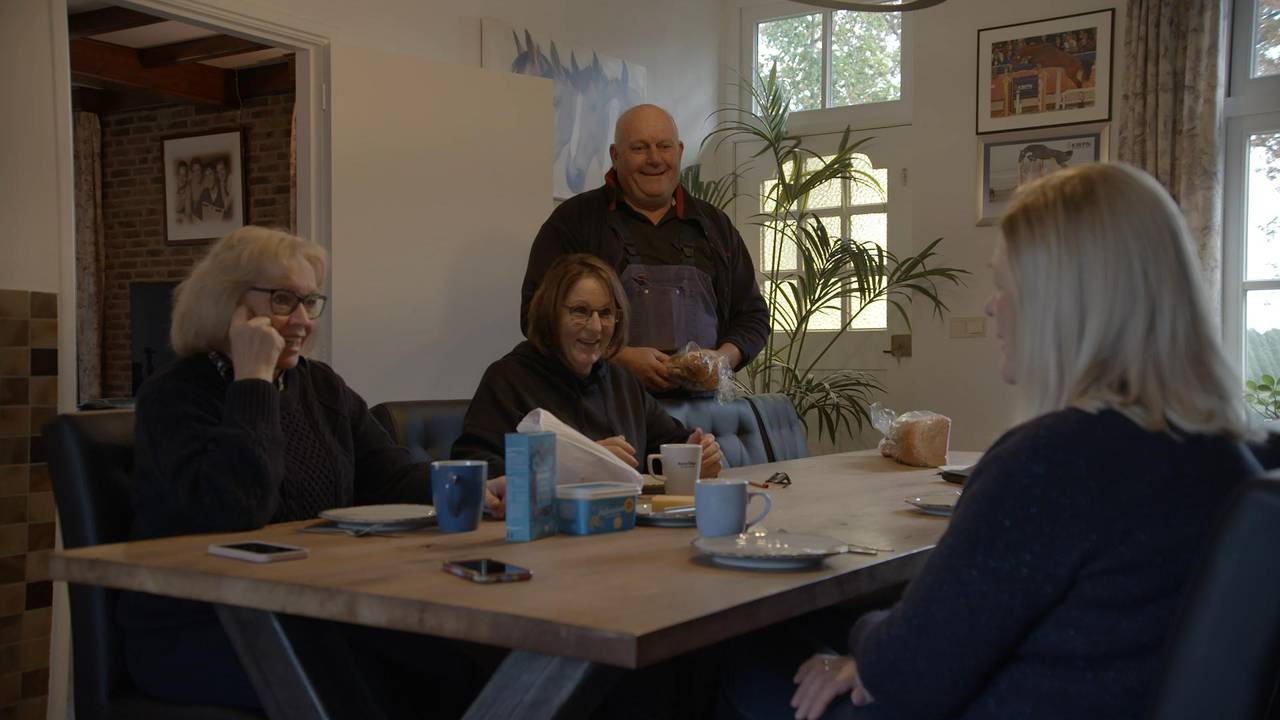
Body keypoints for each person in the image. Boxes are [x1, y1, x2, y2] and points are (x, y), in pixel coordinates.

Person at [720, 163, 1261, 720]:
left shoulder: (1054, 459)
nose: (990, 305)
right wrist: (877, 642)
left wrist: (865, 648)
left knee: (735, 660)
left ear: (1066, 302)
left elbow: (913, 670)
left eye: (1005, 284)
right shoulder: (1224, 454)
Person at [124, 225, 504, 716]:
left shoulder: (320, 386)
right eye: (284, 301)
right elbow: (235, 508)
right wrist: (254, 379)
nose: (302, 320)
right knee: (376, 685)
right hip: (204, 623)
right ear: (228, 305)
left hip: (314, 607)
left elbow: (388, 476)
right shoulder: (175, 395)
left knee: (467, 661)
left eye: (310, 302)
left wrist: (475, 487)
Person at [520, 104, 769, 394]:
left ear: (678, 150)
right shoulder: (574, 221)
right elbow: (535, 317)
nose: (654, 159)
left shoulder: (714, 227)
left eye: (664, 146)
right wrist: (616, 357)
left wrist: (721, 359)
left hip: (701, 416)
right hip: (603, 409)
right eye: (639, 148)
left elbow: (753, 317)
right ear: (616, 155)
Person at [455, 253, 723, 478]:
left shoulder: (622, 382)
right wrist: (580, 464)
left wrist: (697, 451)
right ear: (550, 314)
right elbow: (473, 468)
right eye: (580, 311)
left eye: (606, 313)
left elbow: (669, 440)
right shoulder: (508, 380)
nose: (596, 327)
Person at [174, 160, 191, 225]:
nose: (182, 178)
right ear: (177, 175)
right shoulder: (173, 187)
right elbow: (176, 210)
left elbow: (188, 211)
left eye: (184, 175)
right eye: (180, 175)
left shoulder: (187, 187)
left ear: (186, 176)